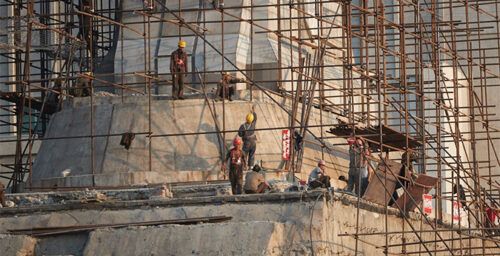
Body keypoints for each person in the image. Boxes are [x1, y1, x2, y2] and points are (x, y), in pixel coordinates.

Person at [238, 105, 257, 169]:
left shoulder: (243, 126)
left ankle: (244, 166)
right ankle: (250, 166)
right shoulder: (253, 124)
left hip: (247, 141)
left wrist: (244, 135)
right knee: (252, 154)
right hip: (253, 141)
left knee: (244, 153)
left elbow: (240, 134)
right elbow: (255, 118)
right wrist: (253, 111)